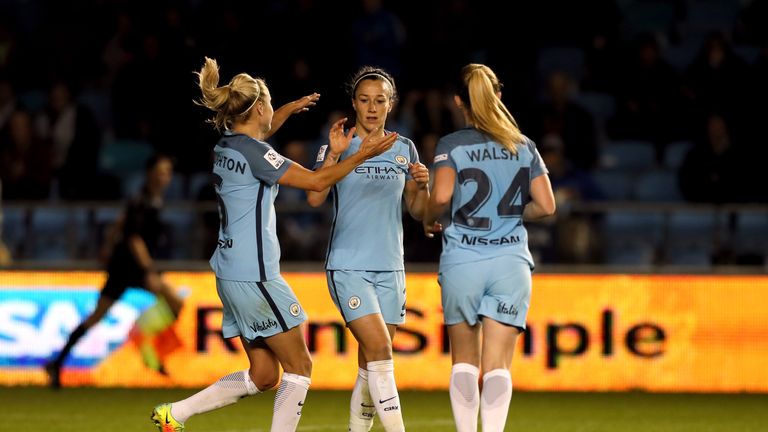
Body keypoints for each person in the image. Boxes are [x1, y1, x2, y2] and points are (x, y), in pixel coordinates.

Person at [150, 57, 398, 432]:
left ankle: (175, 415)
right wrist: (361, 154)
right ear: (259, 108)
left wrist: (287, 110)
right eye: (270, 105)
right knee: (300, 367)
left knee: (265, 375)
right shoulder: (257, 154)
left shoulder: (227, 146)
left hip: (229, 273)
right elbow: (317, 183)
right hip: (257, 275)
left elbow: (257, 135)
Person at [422, 64, 556, 432]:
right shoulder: (523, 145)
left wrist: (427, 217)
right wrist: (512, 213)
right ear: (498, 95)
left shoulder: (451, 145)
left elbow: (442, 197)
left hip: (463, 259)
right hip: (510, 261)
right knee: (498, 365)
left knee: (464, 361)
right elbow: (547, 206)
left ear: (457, 102)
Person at [307, 66, 429, 432]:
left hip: (390, 267)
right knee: (381, 351)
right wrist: (333, 157)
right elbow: (314, 196)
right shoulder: (340, 144)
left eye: (380, 100)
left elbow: (419, 212)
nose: (372, 108)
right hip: (349, 266)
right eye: (364, 100)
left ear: (391, 104)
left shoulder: (404, 148)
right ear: (354, 104)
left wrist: (421, 187)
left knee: (369, 362)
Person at [44, 153, 185, 388]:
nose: (165, 177)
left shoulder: (146, 199)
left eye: (168, 173)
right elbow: (134, 238)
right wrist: (149, 270)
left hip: (128, 265)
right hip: (129, 267)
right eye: (161, 172)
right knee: (174, 303)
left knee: (100, 316)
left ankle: (58, 362)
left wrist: (107, 245)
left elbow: (121, 222)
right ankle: (141, 339)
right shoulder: (144, 202)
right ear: (150, 173)